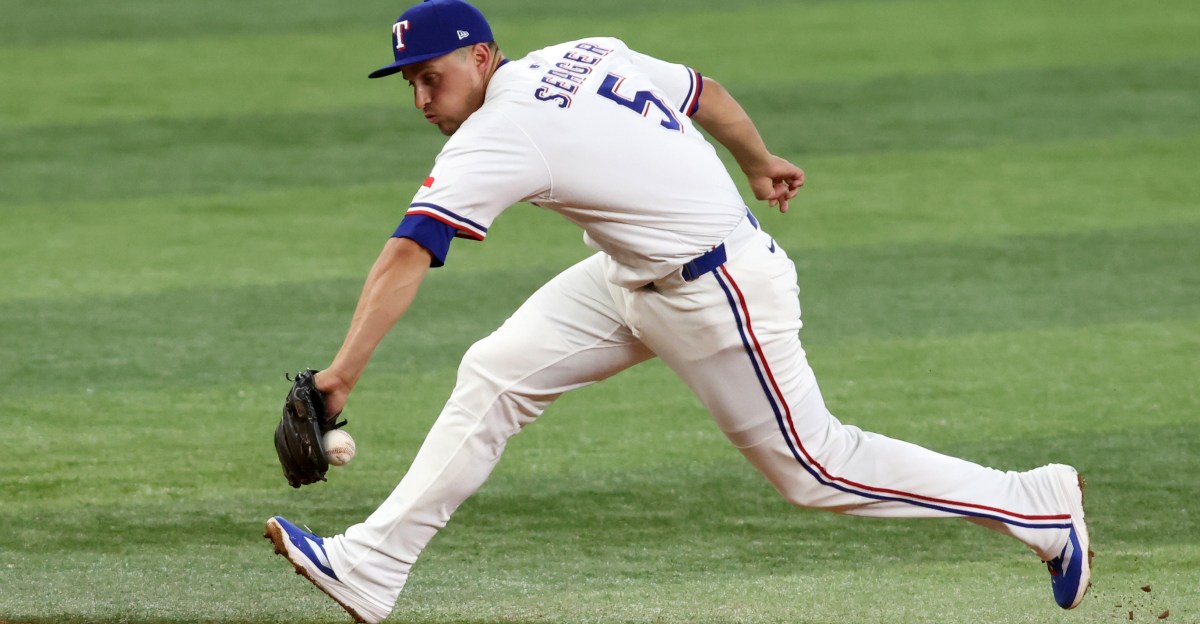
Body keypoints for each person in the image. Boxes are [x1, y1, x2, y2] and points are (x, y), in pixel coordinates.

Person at [263, 1, 1091, 621]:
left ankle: (1038, 504)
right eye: (410, 82)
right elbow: (705, 90)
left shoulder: (497, 133)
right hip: (631, 277)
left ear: (482, 57)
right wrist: (761, 163)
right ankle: (372, 564)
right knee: (496, 372)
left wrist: (340, 376)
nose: (422, 99)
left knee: (815, 469)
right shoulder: (583, 52)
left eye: (433, 76)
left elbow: (409, 251)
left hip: (718, 291)